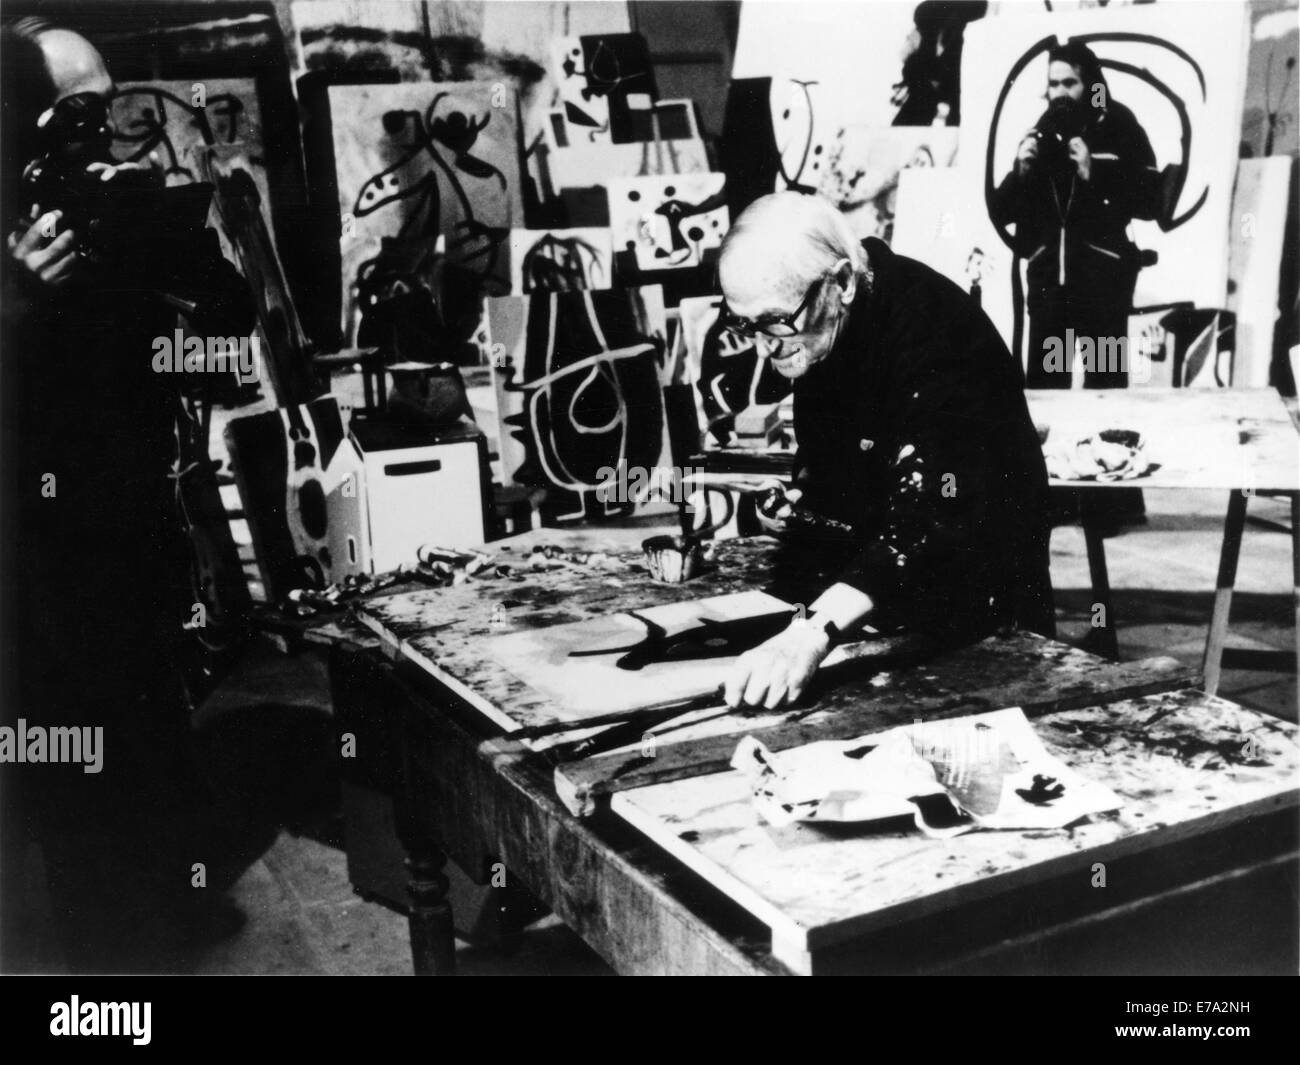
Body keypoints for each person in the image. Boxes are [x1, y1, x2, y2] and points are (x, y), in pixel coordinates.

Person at [1, 17, 253, 970]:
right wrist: (19, 300)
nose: (99, 130)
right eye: (74, 112)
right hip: (30, 539)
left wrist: (172, 266)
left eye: (105, 109)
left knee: (151, 716)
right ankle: (100, 962)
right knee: (68, 746)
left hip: (132, 513)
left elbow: (225, 339)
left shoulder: (126, 200)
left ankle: (167, 907)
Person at [715, 193, 1053, 711]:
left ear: (843, 282)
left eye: (776, 321)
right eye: (745, 323)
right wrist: (806, 511)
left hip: (981, 599)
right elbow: (833, 473)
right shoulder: (821, 322)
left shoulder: (937, 335)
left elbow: (931, 516)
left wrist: (811, 631)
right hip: (875, 598)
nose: (764, 346)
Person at [991, 40, 1156, 529]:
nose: (1060, 92)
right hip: (1050, 287)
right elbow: (1004, 211)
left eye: (1070, 82)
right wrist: (1022, 170)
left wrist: (1093, 170)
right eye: (1053, 84)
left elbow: (1150, 200)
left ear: (1091, 84)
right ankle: (1052, 499)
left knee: (1105, 388)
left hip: (1103, 283)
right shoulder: (1041, 132)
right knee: (1048, 390)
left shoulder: (1120, 126)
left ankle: (1113, 503)